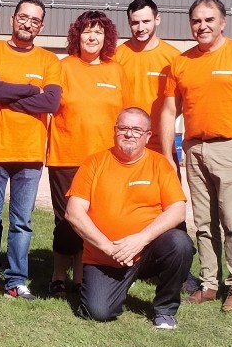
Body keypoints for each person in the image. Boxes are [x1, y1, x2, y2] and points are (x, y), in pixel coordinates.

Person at [161, 0, 232, 312]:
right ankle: (209, 283)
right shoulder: (181, 63)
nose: (202, 26)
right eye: (196, 20)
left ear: (223, 22)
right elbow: (169, 112)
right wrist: (170, 153)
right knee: (204, 221)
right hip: (195, 148)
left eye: (209, 20)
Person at [66, 108, 193, 329]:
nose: (129, 134)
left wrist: (140, 239)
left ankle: (165, 310)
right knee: (98, 312)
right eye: (123, 128)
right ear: (114, 131)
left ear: (147, 136)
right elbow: (73, 212)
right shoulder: (94, 163)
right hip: (104, 257)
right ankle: (116, 287)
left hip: (146, 252)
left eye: (136, 129)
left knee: (180, 243)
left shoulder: (159, 164)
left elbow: (177, 210)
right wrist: (107, 247)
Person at [0, 0, 60, 302]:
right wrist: (28, 90)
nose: (28, 24)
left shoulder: (49, 61)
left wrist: (7, 93)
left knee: (22, 222)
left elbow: (51, 102)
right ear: (13, 19)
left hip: (30, 153)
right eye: (24, 17)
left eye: (35, 20)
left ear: (41, 26)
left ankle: (16, 281)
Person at [45, 11, 123, 296]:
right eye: (86, 31)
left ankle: (81, 276)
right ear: (77, 36)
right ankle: (57, 275)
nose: (92, 37)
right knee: (67, 220)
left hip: (104, 160)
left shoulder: (116, 71)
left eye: (98, 32)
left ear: (107, 38)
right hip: (66, 156)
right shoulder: (62, 67)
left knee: (95, 219)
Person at [114, 0, 179, 157]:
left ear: (157, 20)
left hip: (160, 144)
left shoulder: (174, 58)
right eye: (135, 22)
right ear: (129, 22)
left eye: (146, 21)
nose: (140, 28)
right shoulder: (115, 56)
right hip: (126, 143)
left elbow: (180, 103)